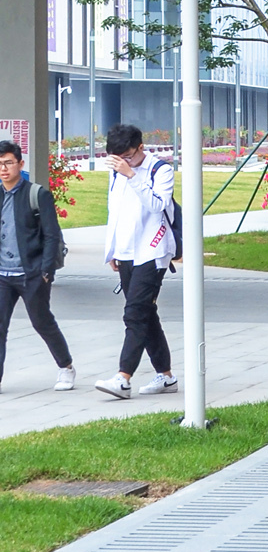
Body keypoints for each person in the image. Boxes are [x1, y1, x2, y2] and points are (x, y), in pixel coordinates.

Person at [95, 124, 177, 399]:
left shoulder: (160, 170)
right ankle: (166, 376)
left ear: (141, 147)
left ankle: (123, 377)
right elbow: (115, 210)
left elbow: (157, 205)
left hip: (153, 251)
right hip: (126, 251)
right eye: (117, 158)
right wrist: (112, 250)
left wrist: (131, 175)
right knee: (145, 314)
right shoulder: (116, 172)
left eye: (128, 156)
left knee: (134, 313)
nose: (123, 162)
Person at [0, 140, 73, 392]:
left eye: (8, 163)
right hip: (2, 275)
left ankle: (66, 367)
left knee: (42, 321)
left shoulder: (36, 194)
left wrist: (45, 272)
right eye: (0, 164)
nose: (3, 168)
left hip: (31, 273)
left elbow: (52, 235)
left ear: (20, 164)